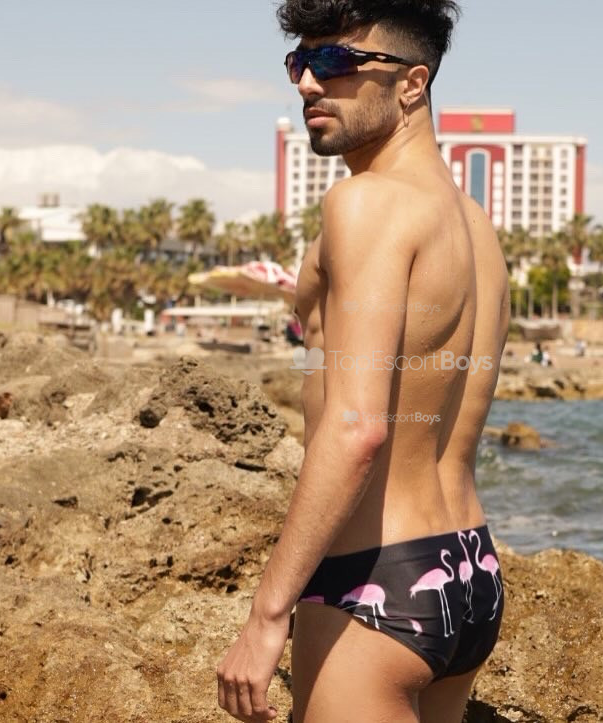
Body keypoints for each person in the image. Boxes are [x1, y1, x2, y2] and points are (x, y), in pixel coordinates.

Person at [217, 2, 509, 720]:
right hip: (469, 568)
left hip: (374, 579)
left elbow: (357, 428)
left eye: (337, 62)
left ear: (412, 84)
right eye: (300, 62)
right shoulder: (474, 226)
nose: (309, 83)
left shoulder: (367, 204)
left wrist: (266, 614)